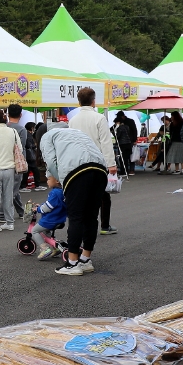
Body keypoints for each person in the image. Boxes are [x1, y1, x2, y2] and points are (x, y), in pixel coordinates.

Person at [40, 126, 107, 276]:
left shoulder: (47, 136)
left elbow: (51, 162)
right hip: (100, 169)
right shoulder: (77, 132)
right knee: (91, 216)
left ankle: (72, 263)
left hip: (76, 172)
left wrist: (62, 183)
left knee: (76, 217)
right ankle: (85, 260)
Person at [67, 89, 118, 232]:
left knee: (83, 196)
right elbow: (106, 143)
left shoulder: (73, 120)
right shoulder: (99, 118)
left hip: (78, 163)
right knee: (103, 196)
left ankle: (82, 226)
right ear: (93, 101)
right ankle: (104, 226)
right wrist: (111, 164)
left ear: (79, 102)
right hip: (97, 163)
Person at [31, 176, 66, 260]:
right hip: (59, 218)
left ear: (57, 181)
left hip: (51, 220)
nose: (47, 181)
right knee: (46, 231)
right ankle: (55, 247)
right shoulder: (62, 191)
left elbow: (47, 207)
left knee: (34, 230)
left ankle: (45, 249)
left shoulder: (54, 193)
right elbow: (52, 204)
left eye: (49, 179)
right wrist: (41, 205)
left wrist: (38, 209)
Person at [6, 104, 30, 218]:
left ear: (8, 114)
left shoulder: (4, 127)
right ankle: (3, 213)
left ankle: (21, 212)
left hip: (5, 160)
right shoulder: (21, 129)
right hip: (18, 163)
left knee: (12, 188)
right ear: (20, 115)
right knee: (13, 190)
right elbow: (22, 146)